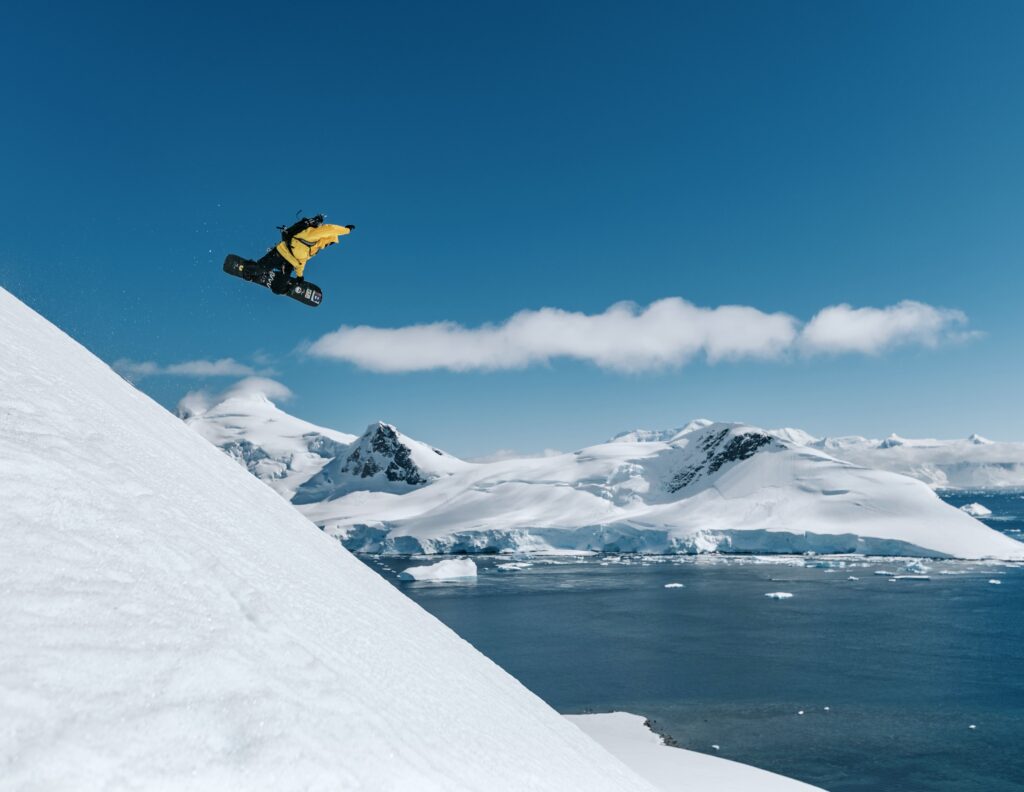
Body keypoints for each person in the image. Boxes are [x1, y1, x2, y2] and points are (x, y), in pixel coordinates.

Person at [251, 215, 355, 294]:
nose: (330, 245)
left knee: (278, 290)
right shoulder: (313, 234)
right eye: (331, 242)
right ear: (328, 239)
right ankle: (252, 269)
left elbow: (301, 260)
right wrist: (347, 230)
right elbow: (330, 228)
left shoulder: (315, 248)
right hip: (280, 254)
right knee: (257, 269)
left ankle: (273, 276)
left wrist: (300, 276)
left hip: (289, 264)